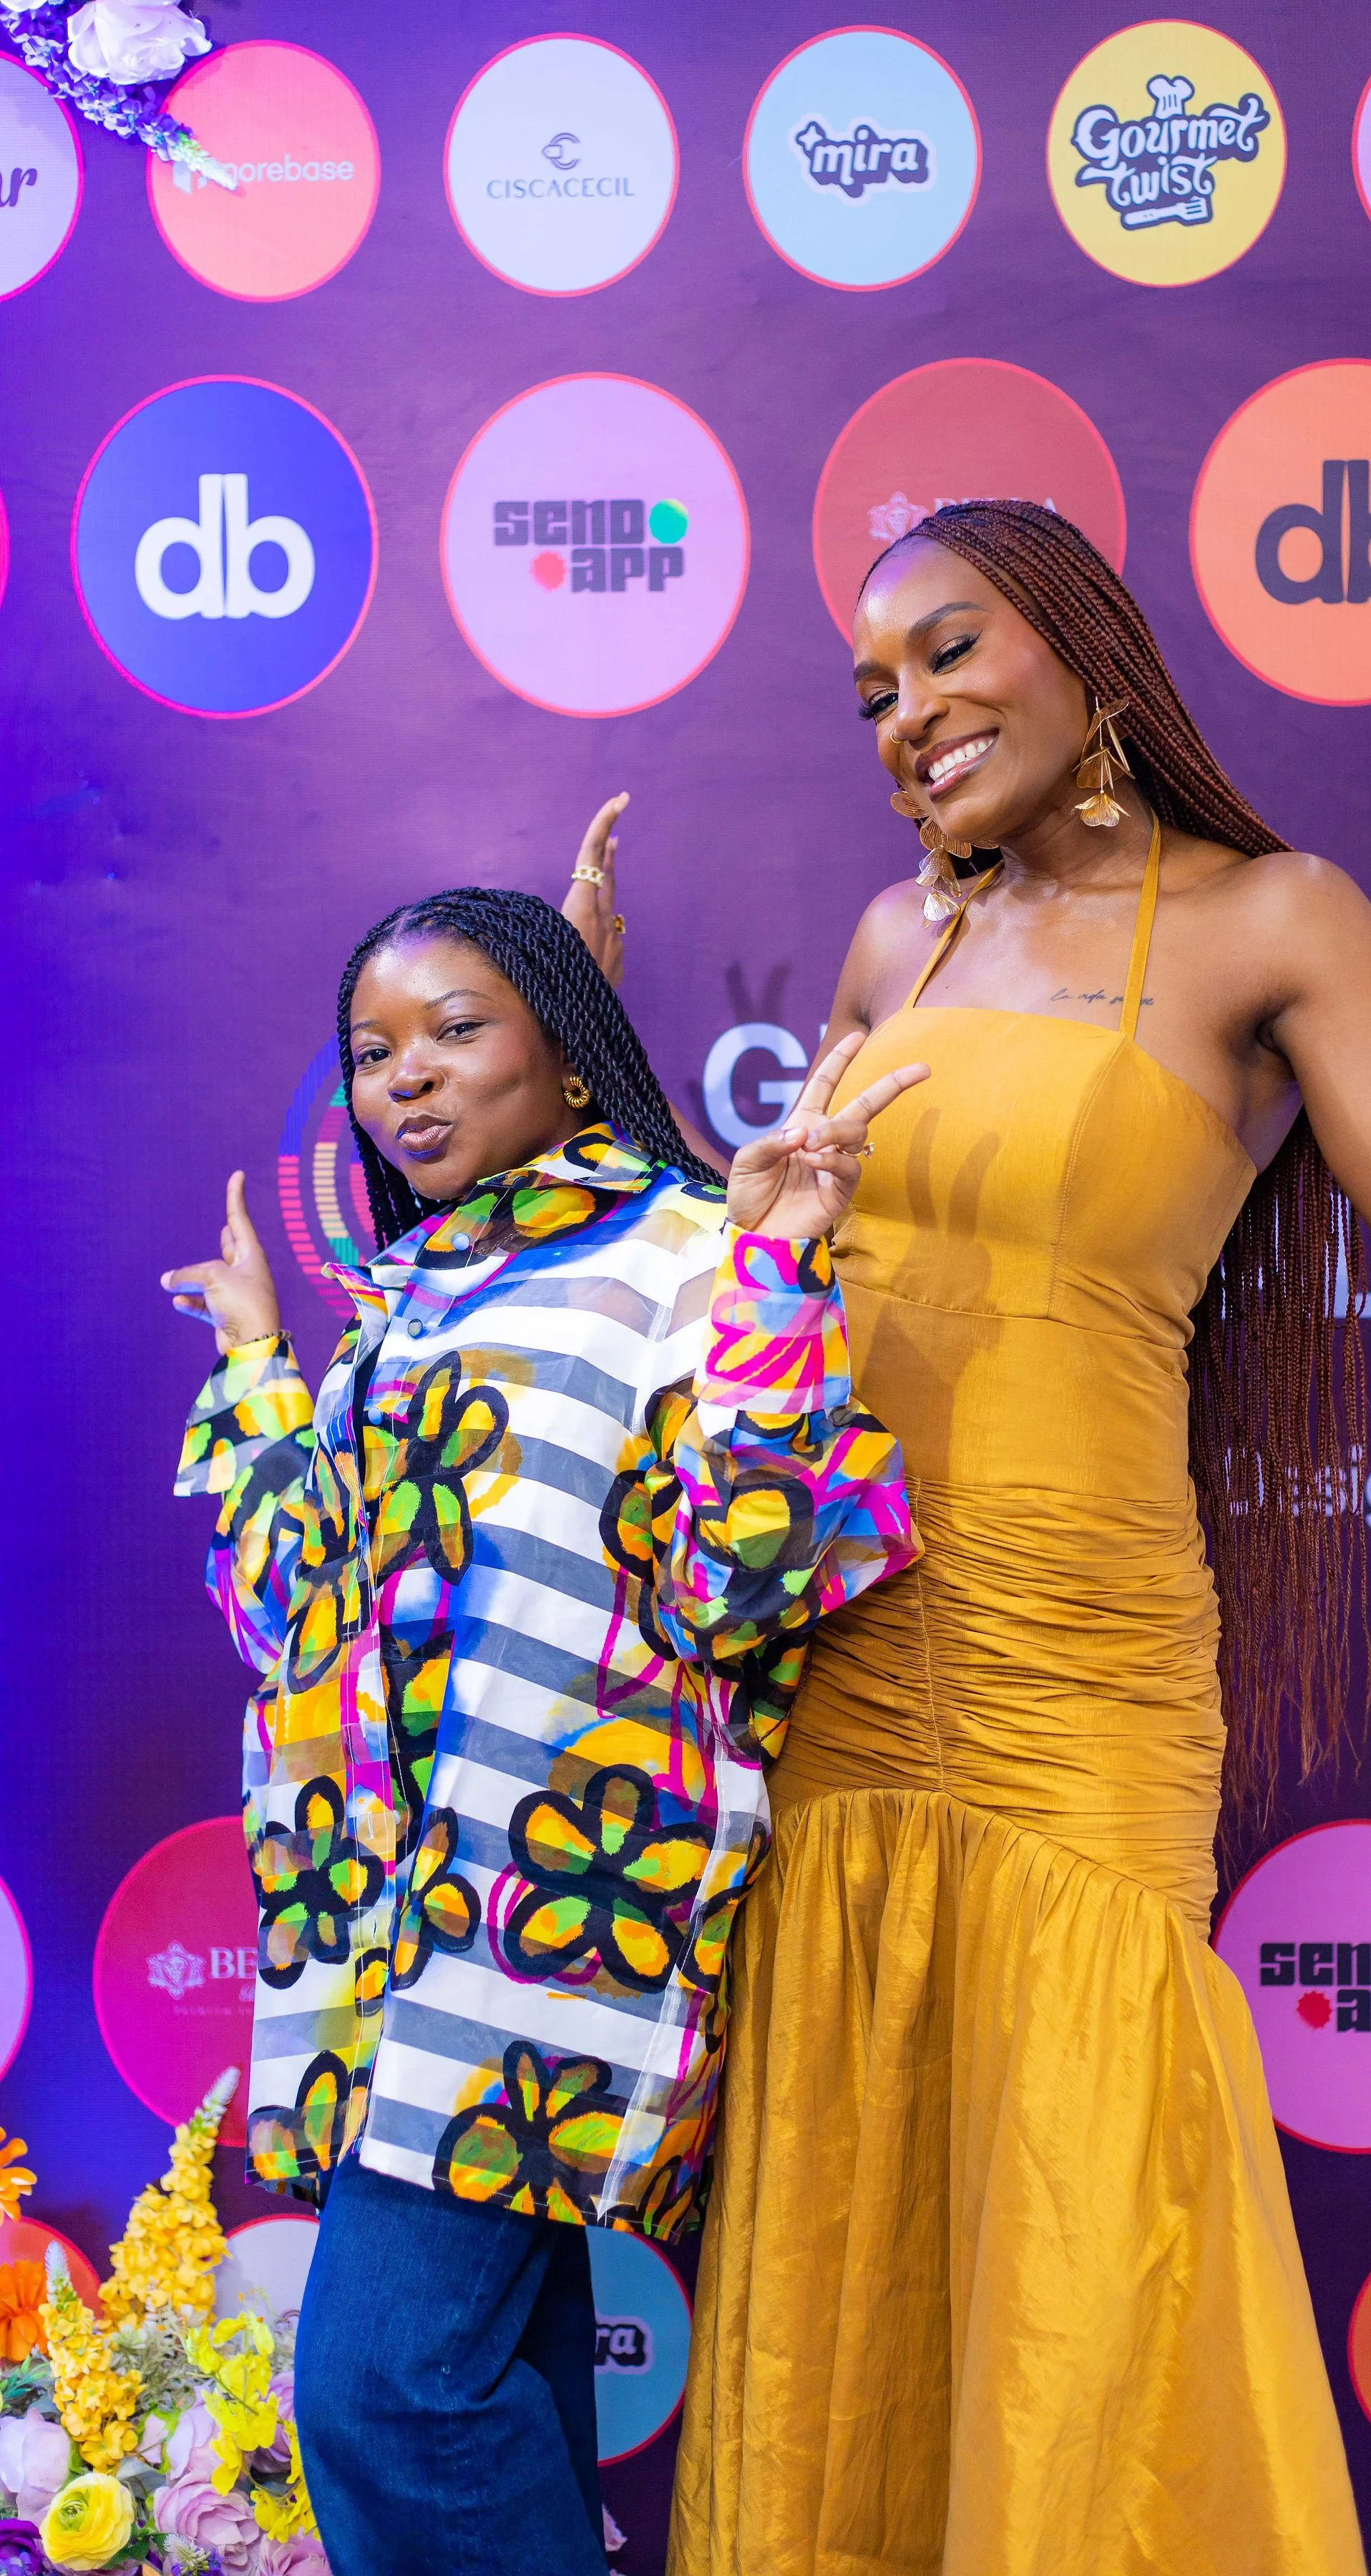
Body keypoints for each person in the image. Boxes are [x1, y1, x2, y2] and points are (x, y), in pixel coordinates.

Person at [666, 499, 1371, 2576]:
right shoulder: (905, 942)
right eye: (877, 692)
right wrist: (745, 1227)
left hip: (1081, 1680)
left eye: (953, 654)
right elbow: (789, 1317)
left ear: (1080, 646)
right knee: (862, 2233)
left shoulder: (1271, 918)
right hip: (851, 1672)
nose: (912, 716)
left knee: (1080, 2243)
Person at [162, 887, 924, 2576]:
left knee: (386, 2391)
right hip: (390, 1926)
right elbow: (301, 1613)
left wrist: (784, 1262)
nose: (405, 1083)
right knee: (499, 2383)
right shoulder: (414, 1297)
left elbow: (753, 1571)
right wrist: (259, 1364)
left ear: (572, 1064)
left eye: (455, 1033)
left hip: (555, 1911)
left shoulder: (683, 1253)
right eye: (373, 1053)